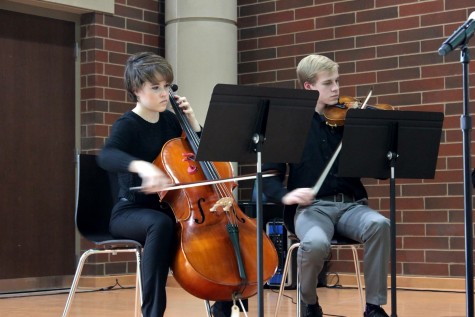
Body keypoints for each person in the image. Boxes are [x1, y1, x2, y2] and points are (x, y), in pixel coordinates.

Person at [260, 54, 391, 317]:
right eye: (328, 83)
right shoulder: (289, 126)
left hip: (351, 206)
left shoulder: (349, 121)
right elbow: (267, 177)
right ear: (308, 87)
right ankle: (309, 302)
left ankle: (374, 307)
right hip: (312, 209)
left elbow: (379, 172)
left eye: (337, 81)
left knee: (380, 224)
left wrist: (378, 144)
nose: (336, 88)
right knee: (316, 244)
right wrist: (287, 196)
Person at [97, 51, 202, 317]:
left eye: (166, 86)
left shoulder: (170, 120)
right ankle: (152, 313)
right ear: (136, 89)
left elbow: (201, 158)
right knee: (160, 223)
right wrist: (141, 166)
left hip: (170, 207)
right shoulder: (128, 124)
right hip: (130, 211)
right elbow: (107, 156)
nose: (164, 93)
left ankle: (226, 308)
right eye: (155, 87)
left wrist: (193, 124)